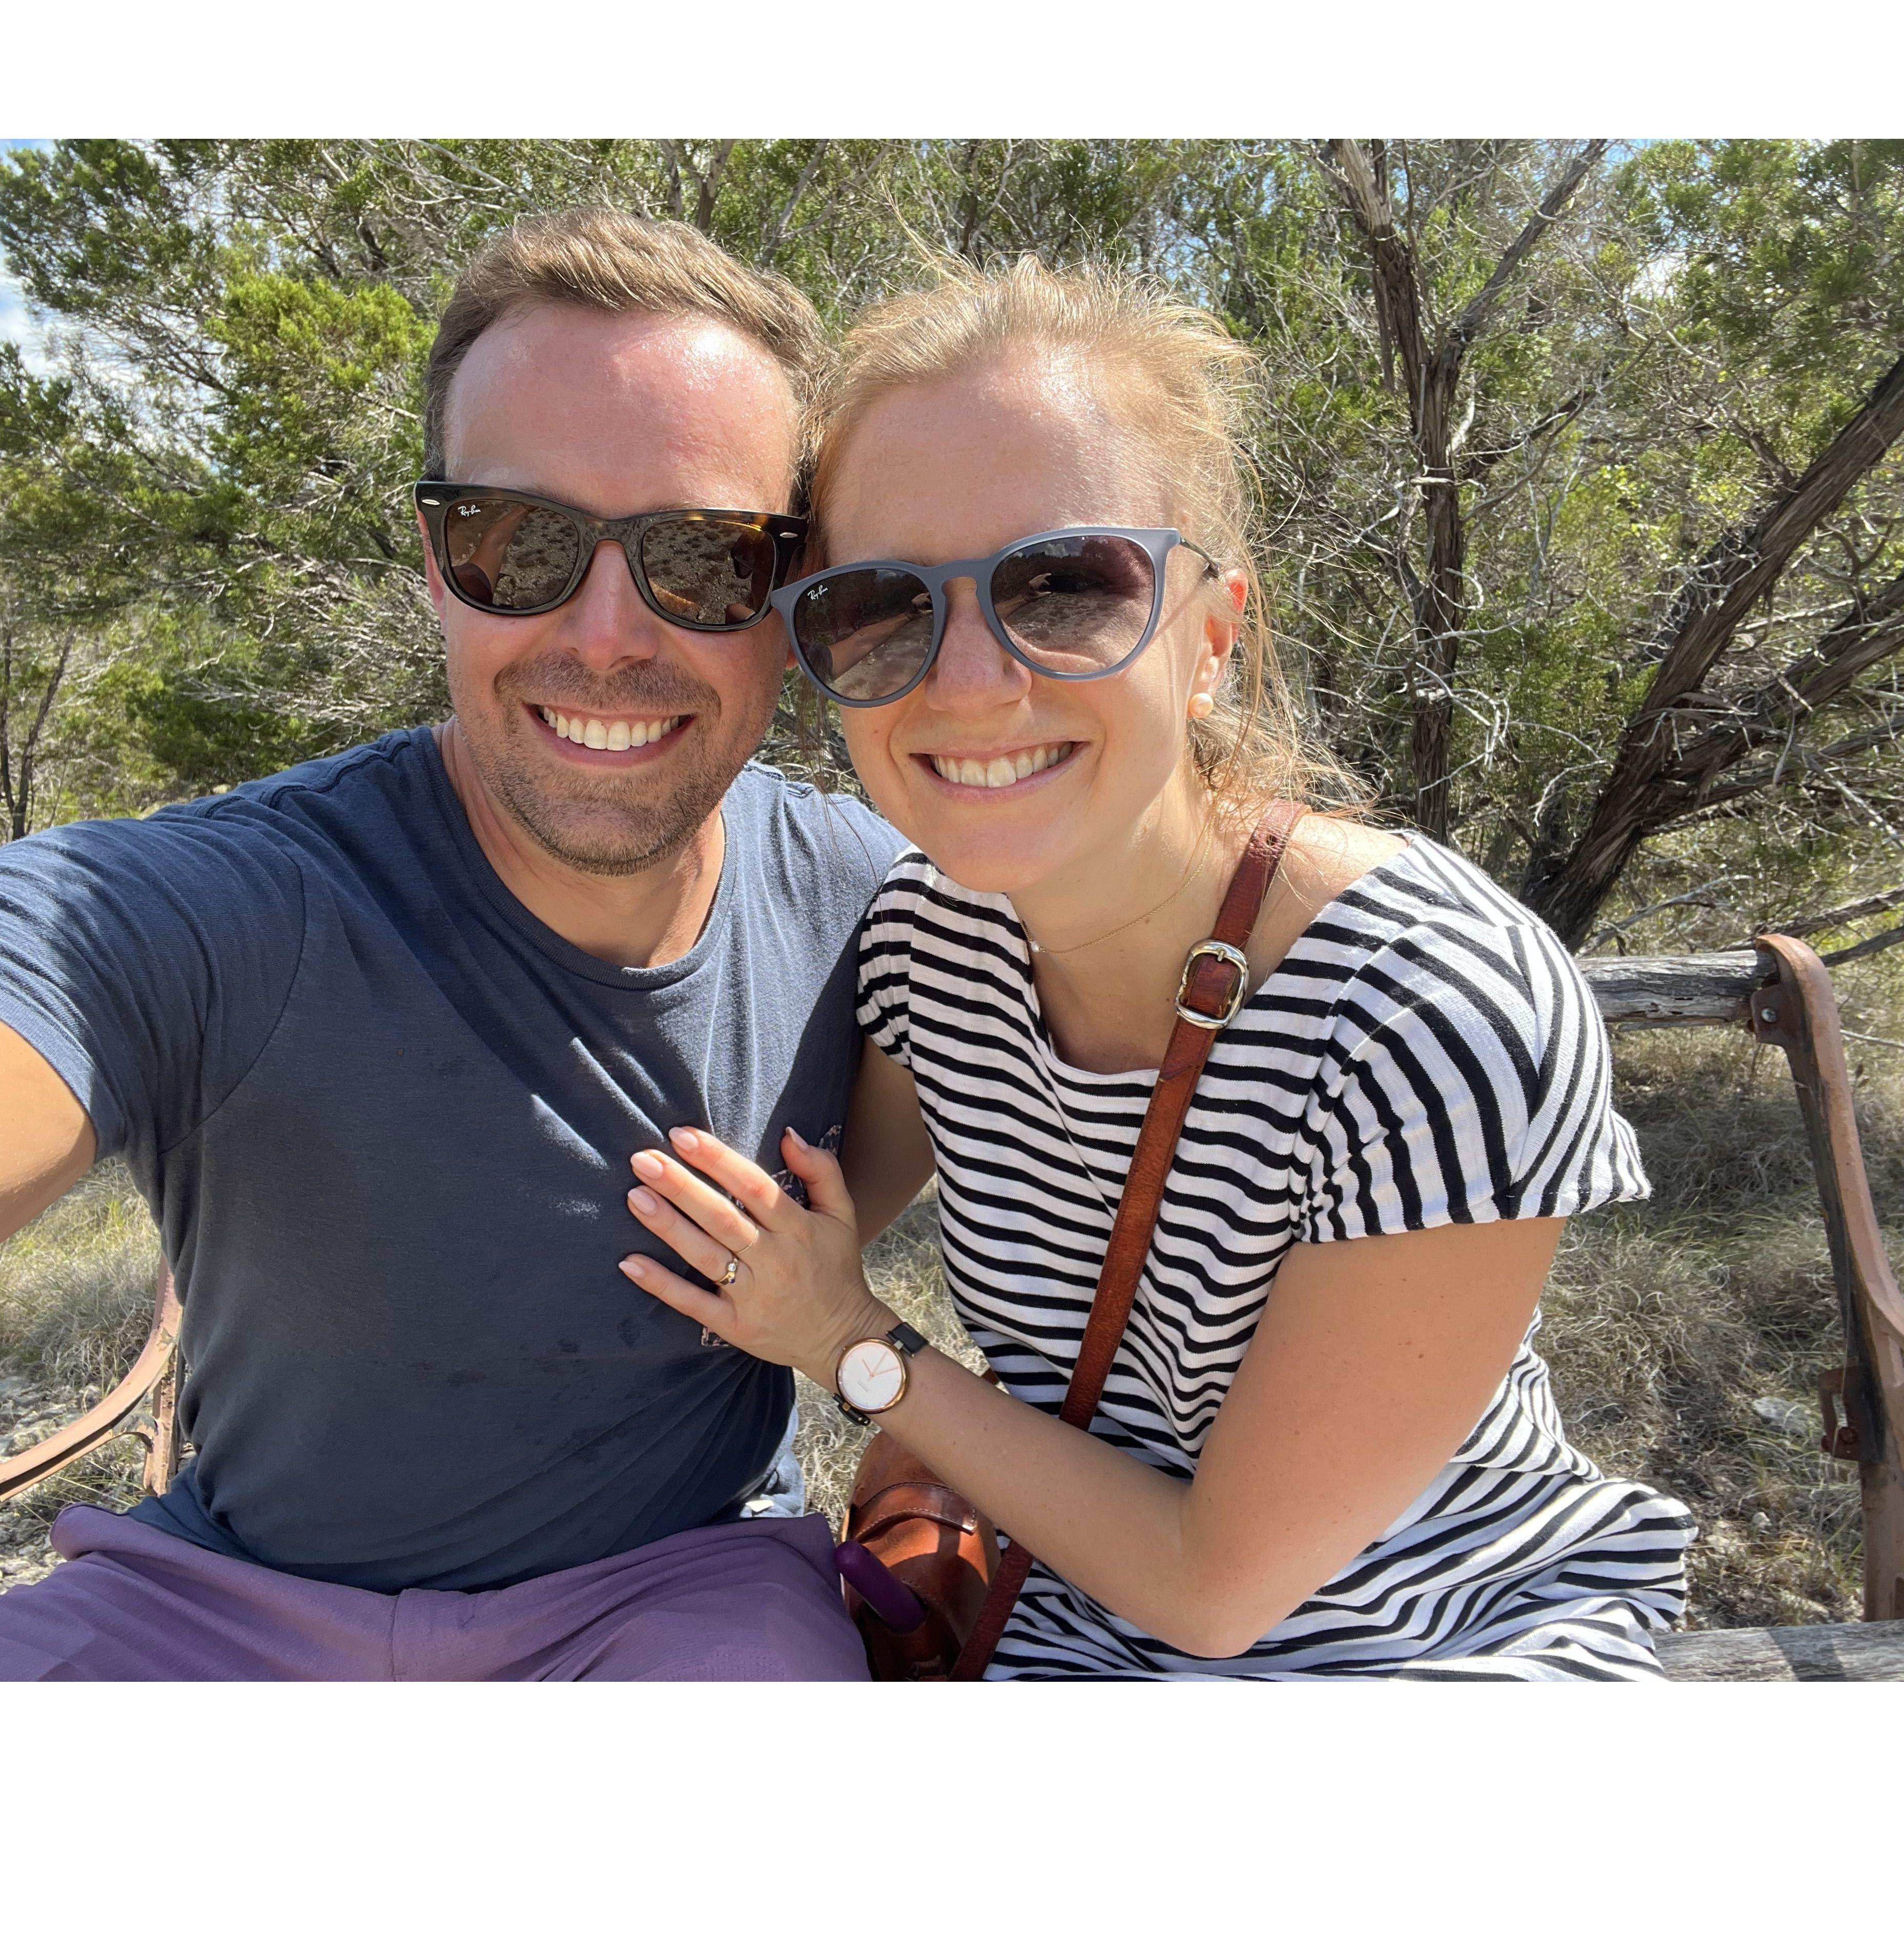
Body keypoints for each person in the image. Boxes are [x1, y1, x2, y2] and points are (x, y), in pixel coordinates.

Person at [0, 209, 910, 1682]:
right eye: (518, 542)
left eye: (708, 560)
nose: (608, 633)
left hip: (679, 1593)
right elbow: (13, 999)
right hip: (229, 1608)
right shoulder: (230, 908)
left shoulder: (876, 904)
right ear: (432, 559)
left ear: (788, 603)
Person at [615, 256, 1699, 1679]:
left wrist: (858, 1344)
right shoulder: (928, 953)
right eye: (879, 607)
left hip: (1425, 1648)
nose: (966, 678)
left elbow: (1218, 1590)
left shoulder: (1434, 1013)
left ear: (1210, 636)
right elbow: (772, 1224)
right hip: (1069, 1633)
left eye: (1063, 587)